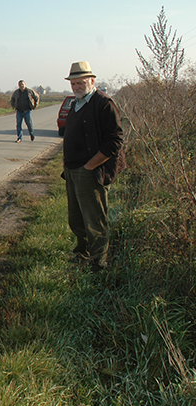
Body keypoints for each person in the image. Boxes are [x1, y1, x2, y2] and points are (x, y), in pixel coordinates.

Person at [62, 61, 125, 272]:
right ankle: (82, 253)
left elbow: (115, 140)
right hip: (72, 171)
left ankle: (99, 264)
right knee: (76, 218)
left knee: (95, 220)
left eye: (80, 83)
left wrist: (90, 166)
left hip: (89, 171)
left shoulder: (103, 103)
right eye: (73, 83)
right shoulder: (76, 103)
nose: (76, 87)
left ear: (92, 81)